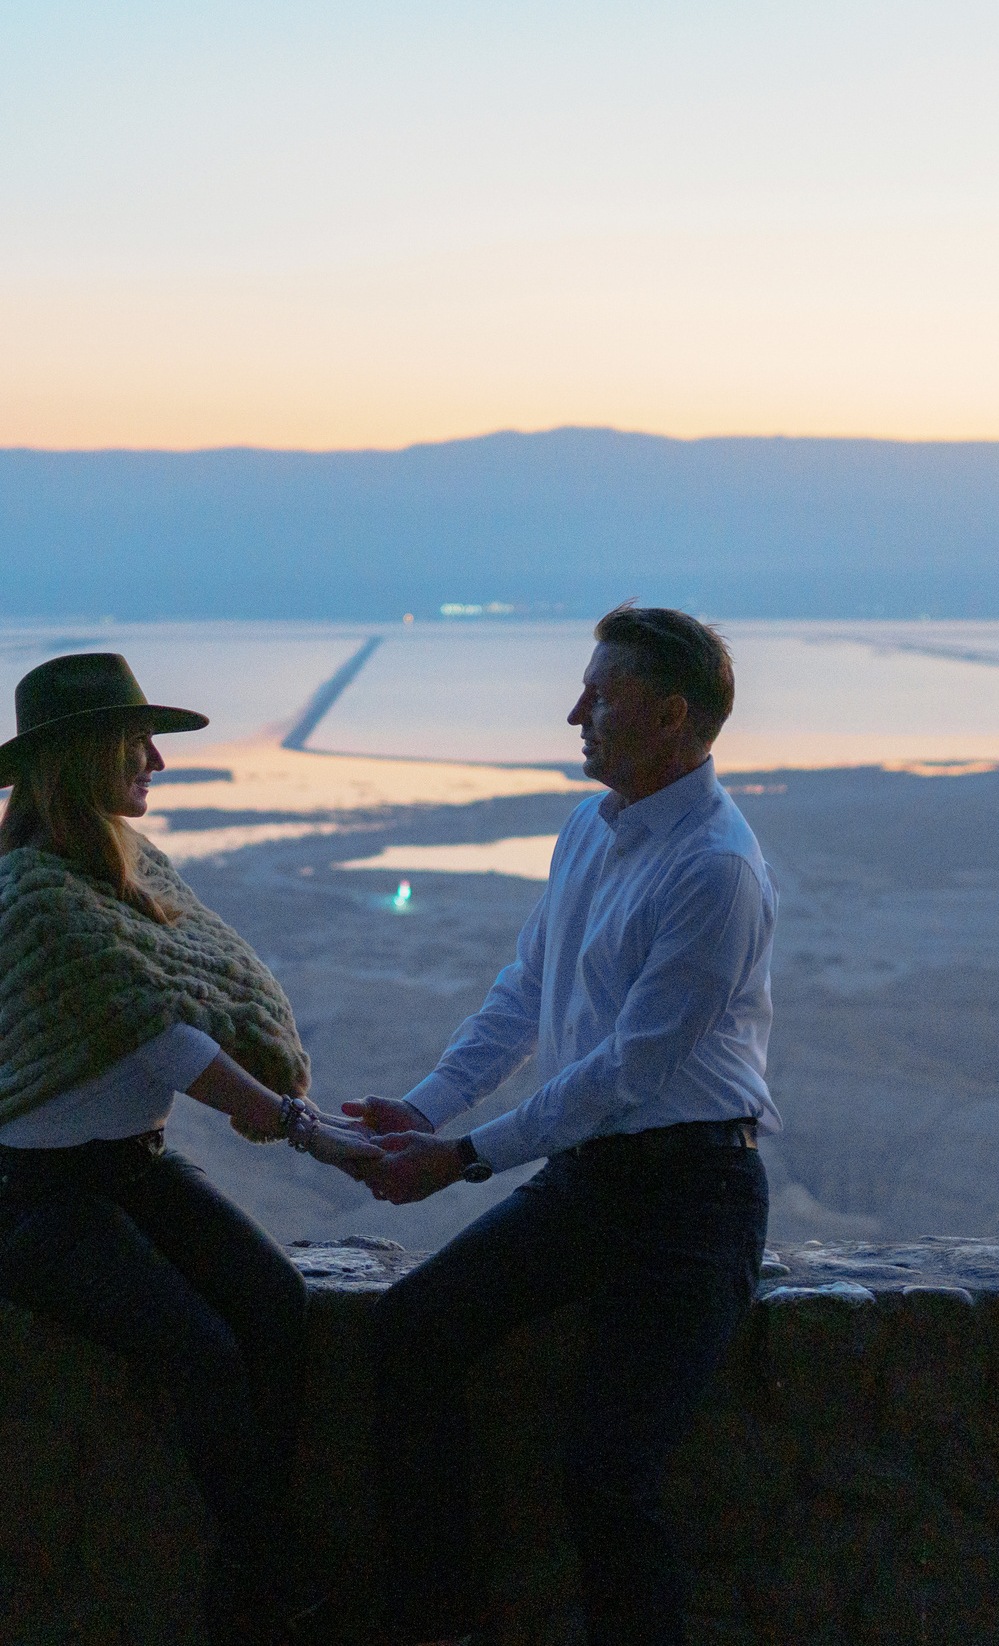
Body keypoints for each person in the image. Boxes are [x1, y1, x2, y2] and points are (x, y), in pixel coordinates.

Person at [346, 606, 779, 1646]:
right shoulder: (590, 828)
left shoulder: (714, 869)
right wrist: (429, 1105)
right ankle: (439, 1617)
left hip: (689, 1200)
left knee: (606, 1476)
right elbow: (527, 990)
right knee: (409, 1340)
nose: (575, 711)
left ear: (672, 715)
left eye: (602, 693)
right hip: (591, 1182)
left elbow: (626, 1070)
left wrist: (462, 1158)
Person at [0, 652, 378, 1646]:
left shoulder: (137, 874)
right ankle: (275, 1585)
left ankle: (248, 1578)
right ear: (77, 757)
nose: (155, 761)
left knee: (274, 1304)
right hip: (30, 1197)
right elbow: (167, 1038)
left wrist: (297, 1105)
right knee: (201, 1348)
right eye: (134, 742)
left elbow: (209, 990)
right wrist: (316, 1136)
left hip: (124, 1172)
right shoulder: (35, 897)